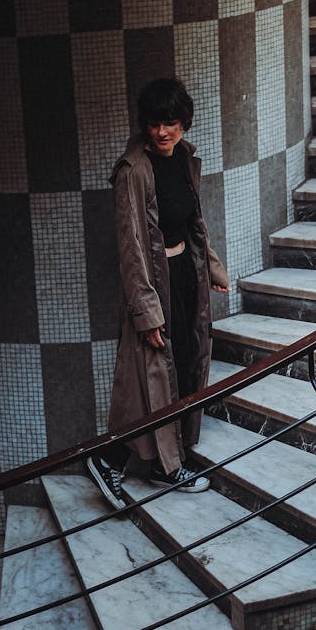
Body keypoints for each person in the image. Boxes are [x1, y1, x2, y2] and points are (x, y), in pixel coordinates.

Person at [87, 77, 230, 507]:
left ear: (184, 121)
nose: (161, 132)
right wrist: (147, 312)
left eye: (169, 122)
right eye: (154, 123)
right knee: (149, 377)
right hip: (154, 282)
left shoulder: (184, 158)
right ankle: (111, 460)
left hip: (185, 272)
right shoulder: (133, 171)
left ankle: (159, 464)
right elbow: (131, 248)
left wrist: (212, 269)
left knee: (184, 365)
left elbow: (194, 221)